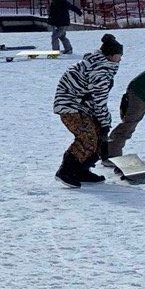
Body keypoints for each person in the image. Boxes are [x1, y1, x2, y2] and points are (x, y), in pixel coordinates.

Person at [52, 33, 124, 187]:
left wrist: (102, 125)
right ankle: (66, 171)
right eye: (119, 55)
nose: (120, 59)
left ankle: (82, 170)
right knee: (88, 137)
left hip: (80, 106)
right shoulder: (101, 71)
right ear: (110, 56)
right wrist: (105, 123)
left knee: (97, 135)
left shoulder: (98, 64)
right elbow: (99, 101)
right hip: (70, 106)